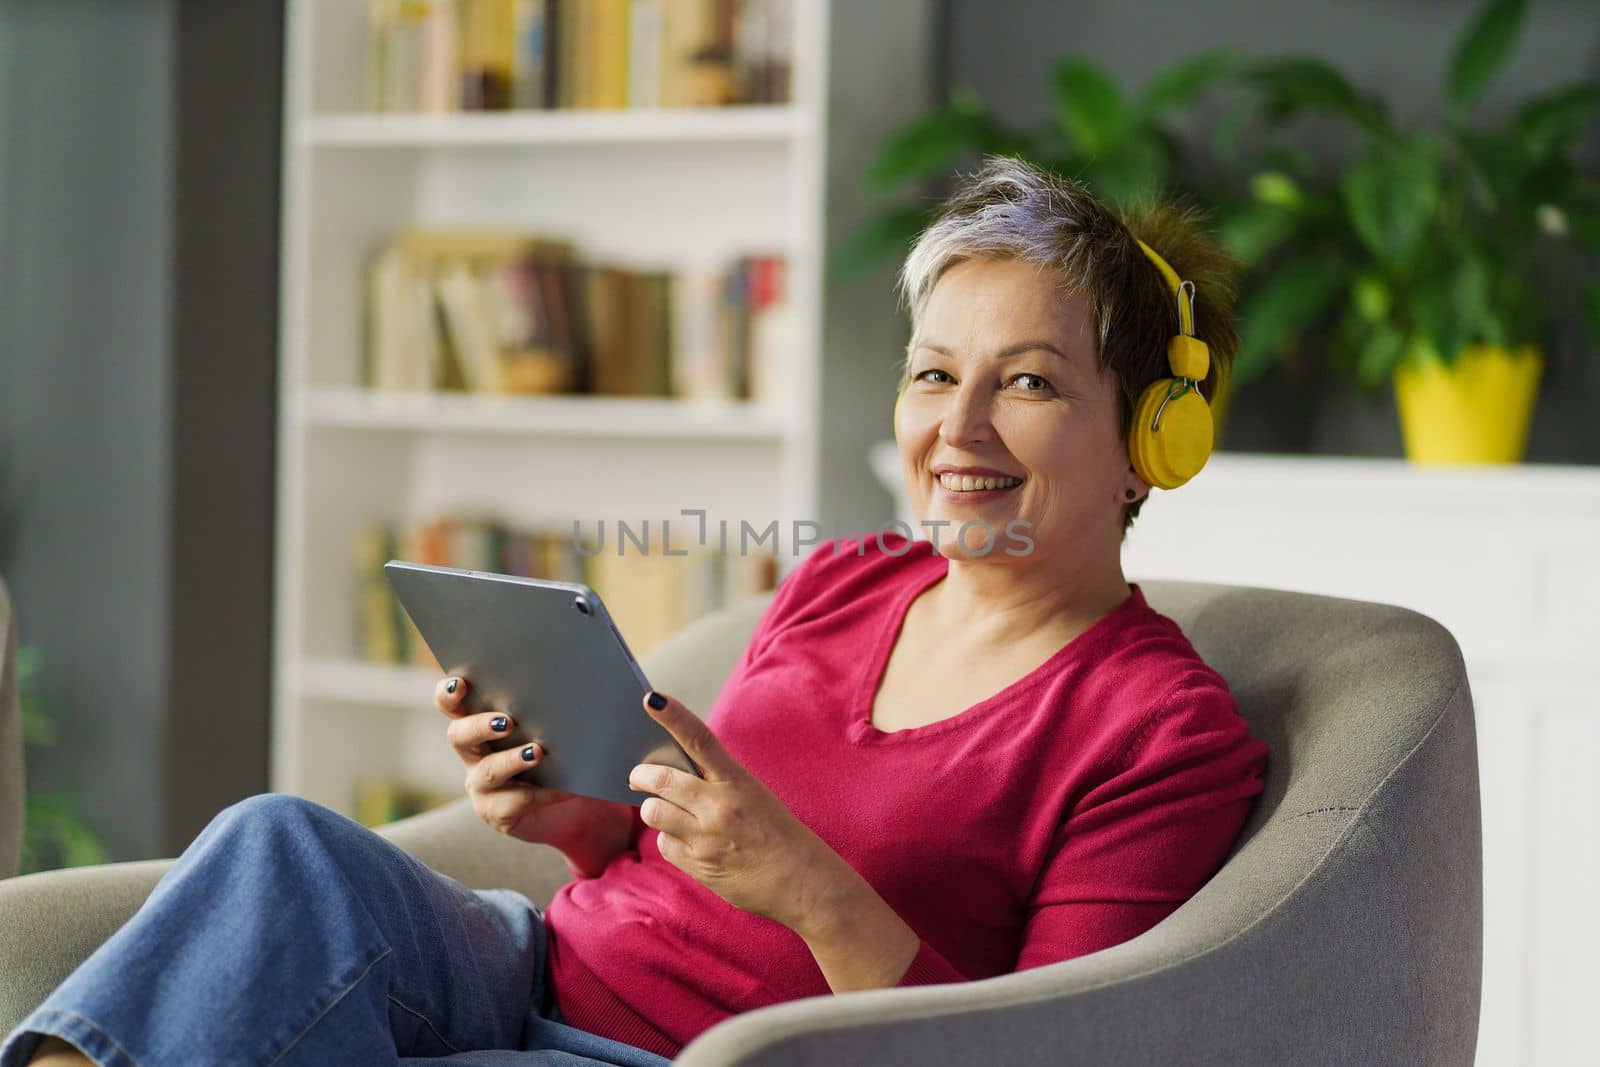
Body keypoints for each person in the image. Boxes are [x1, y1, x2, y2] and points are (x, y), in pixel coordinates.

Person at [4, 154, 1269, 1066]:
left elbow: (1049, 1052)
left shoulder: (1158, 730)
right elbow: (664, 852)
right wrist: (578, 817)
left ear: (1152, 439)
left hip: (682, 1056)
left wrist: (811, 890)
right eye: (933, 373)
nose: (958, 428)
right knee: (283, 841)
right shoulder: (850, 576)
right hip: (530, 964)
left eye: (1029, 382)